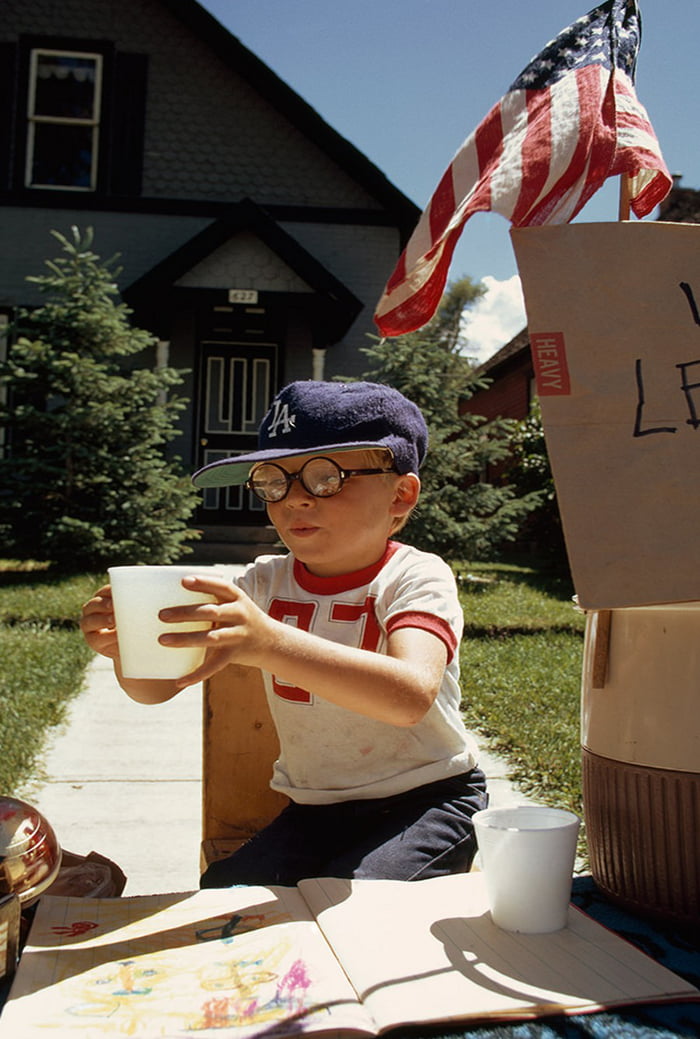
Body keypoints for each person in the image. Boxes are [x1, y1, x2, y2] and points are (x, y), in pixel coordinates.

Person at [80, 380, 488, 887]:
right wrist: (127, 650)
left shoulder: (415, 577)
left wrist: (269, 642)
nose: (294, 500)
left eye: (325, 478)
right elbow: (156, 689)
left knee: (357, 907)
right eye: (273, 480)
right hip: (315, 810)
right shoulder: (261, 583)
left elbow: (408, 697)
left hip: (428, 801)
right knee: (223, 894)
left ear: (401, 496)